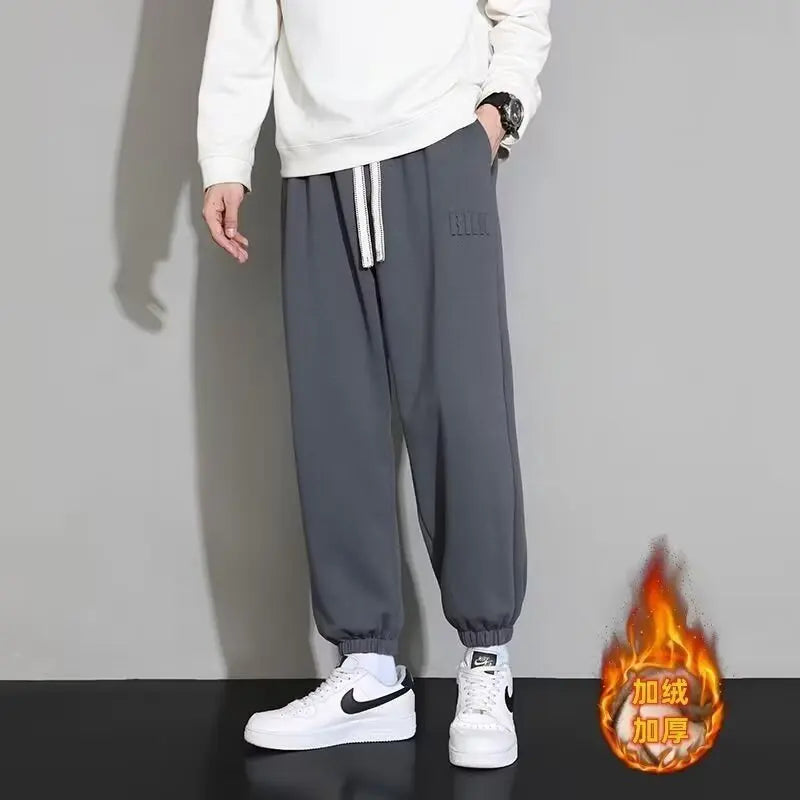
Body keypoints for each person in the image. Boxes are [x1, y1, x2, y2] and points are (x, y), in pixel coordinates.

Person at [197, 0, 551, 769]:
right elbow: (245, 21)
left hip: (438, 145)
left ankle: (487, 658)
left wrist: (500, 112)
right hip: (316, 165)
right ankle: (368, 674)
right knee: (335, 422)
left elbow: (520, 10)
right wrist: (225, 158)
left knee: (462, 415)